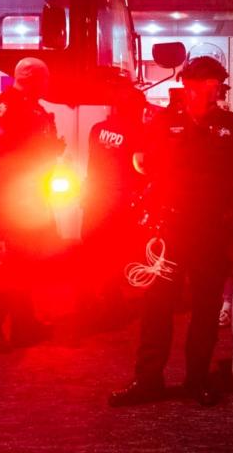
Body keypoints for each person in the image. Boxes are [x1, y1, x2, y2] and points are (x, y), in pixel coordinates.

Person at [109, 55, 233, 407]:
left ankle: (197, 380)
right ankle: (147, 381)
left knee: (205, 310)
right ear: (191, 86)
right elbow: (142, 164)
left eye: (220, 84)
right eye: (213, 84)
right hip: (170, 229)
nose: (219, 90)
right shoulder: (164, 122)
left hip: (213, 231)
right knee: (157, 307)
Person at [0, 57, 64, 351]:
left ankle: (26, 325)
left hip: (33, 192)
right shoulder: (7, 107)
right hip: (17, 194)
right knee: (17, 263)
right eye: (44, 79)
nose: (48, 85)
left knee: (29, 262)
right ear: (33, 79)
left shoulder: (32, 106)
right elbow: (1, 153)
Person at [79, 88, 146, 328]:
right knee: (113, 254)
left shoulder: (97, 129)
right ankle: (111, 307)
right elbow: (141, 168)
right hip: (117, 202)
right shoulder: (136, 132)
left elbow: (93, 162)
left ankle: (85, 305)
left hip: (94, 198)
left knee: (90, 254)